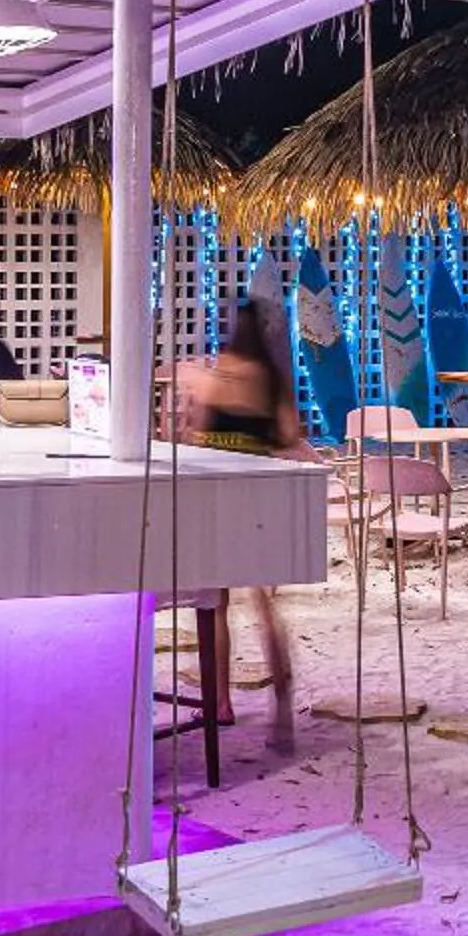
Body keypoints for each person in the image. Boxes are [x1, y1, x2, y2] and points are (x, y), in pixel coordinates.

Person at [186, 299, 304, 741]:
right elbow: (289, 436)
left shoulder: (213, 375)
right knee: (266, 607)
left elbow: (192, 433)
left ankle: (221, 703)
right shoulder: (273, 379)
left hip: (217, 498)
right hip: (259, 498)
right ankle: (282, 702)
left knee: (216, 605)